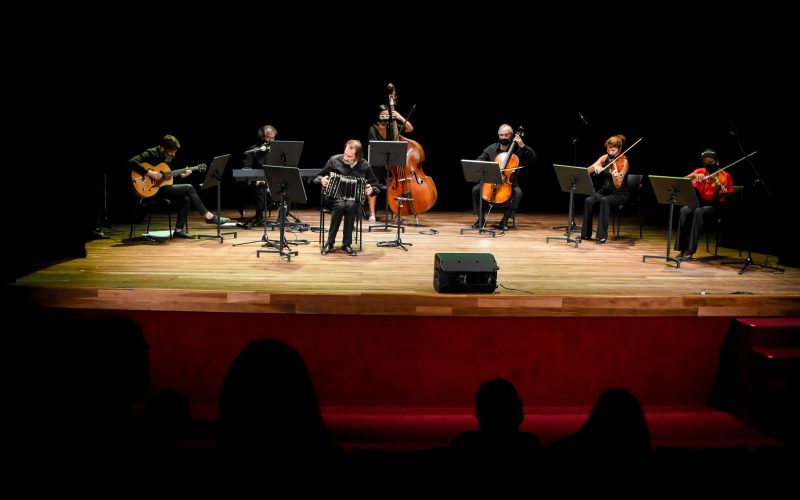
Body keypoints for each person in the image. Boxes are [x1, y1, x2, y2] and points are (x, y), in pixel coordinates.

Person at [127, 134, 229, 238]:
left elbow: (165, 180)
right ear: (163, 148)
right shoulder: (151, 153)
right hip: (149, 192)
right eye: (172, 152)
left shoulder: (165, 158)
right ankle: (208, 216)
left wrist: (181, 176)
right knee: (189, 187)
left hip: (159, 189)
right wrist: (150, 173)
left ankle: (178, 231)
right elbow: (131, 162)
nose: (174, 154)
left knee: (186, 198)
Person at [315, 140, 378, 256]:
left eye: (349, 156)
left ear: (358, 156)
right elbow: (318, 176)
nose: (345, 158)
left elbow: (375, 186)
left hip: (354, 200)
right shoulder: (334, 160)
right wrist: (322, 180)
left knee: (350, 205)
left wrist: (371, 189)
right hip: (334, 198)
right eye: (345, 154)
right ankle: (330, 242)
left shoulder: (365, 165)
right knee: (340, 205)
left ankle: (346, 244)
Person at [472, 124, 536, 231]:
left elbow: (532, 157)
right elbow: (479, 161)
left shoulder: (517, 149)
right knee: (476, 189)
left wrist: (523, 146)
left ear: (511, 135)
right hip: (491, 180)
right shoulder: (491, 148)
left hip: (509, 182)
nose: (503, 137)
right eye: (501, 135)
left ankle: (505, 220)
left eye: (506, 135)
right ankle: (481, 219)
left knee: (518, 193)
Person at [677, 148, 734, 259]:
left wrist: (718, 190)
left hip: (716, 206)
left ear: (717, 162)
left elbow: (726, 196)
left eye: (711, 162)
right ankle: (682, 248)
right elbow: (681, 181)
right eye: (705, 163)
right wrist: (693, 176)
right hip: (701, 204)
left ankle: (690, 250)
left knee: (698, 211)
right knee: (684, 210)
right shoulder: (701, 171)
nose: (708, 166)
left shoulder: (724, 176)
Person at [366, 105, 414, 223]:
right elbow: (375, 148)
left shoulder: (393, 126)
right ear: (377, 115)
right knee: (373, 185)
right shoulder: (372, 129)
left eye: (387, 115)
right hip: (378, 164)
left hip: (393, 164)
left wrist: (400, 117)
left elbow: (410, 128)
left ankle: (396, 214)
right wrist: (383, 161)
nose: (384, 118)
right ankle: (372, 214)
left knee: (395, 187)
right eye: (382, 115)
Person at [580, 134, 630, 244]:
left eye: (613, 150)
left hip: (620, 193)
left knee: (604, 201)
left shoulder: (624, 161)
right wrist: (595, 167)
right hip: (605, 191)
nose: (610, 153)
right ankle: (586, 234)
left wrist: (614, 175)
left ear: (619, 149)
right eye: (608, 150)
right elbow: (587, 171)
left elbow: (618, 185)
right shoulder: (604, 158)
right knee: (588, 200)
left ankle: (601, 236)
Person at [239, 125, 277, 224]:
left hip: (274, 180)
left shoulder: (277, 149)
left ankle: (283, 217)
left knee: (288, 186)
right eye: (269, 138)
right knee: (261, 188)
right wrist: (256, 178)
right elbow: (247, 167)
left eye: (273, 138)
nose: (272, 140)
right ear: (262, 137)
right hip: (258, 181)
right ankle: (259, 218)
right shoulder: (254, 149)